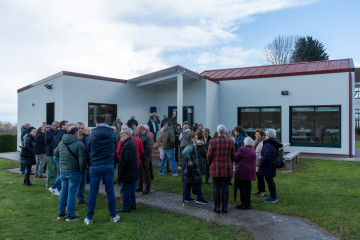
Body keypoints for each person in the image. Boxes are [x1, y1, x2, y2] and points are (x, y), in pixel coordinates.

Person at [84, 115, 120, 225]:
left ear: (96, 122)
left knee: (93, 192)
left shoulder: (92, 133)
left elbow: (87, 148)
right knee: (110, 191)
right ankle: (113, 216)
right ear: (105, 121)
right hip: (108, 164)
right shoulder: (112, 133)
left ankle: (89, 218)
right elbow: (114, 146)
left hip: (95, 165)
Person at [54, 126, 87, 221]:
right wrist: (82, 171)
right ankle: (71, 215)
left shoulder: (61, 142)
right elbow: (82, 161)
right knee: (72, 192)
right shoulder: (79, 144)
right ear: (76, 133)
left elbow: (55, 154)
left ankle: (61, 213)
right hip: (74, 172)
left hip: (63, 172)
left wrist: (62, 165)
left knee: (64, 192)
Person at [207, 124, 235, 213]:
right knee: (225, 187)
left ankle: (217, 207)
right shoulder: (230, 142)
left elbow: (209, 156)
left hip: (215, 168)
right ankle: (225, 207)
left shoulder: (212, 142)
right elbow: (234, 157)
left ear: (217, 132)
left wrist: (210, 163)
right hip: (227, 168)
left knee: (216, 188)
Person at [181, 132, 208, 204]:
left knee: (188, 181)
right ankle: (199, 198)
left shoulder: (185, 143)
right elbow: (185, 152)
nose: (197, 139)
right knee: (198, 181)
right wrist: (189, 161)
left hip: (187, 167)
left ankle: (187, 197)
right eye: (195, 137)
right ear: (192, 138)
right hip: (192, 167)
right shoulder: (190, 145)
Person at [117, 126, 139, 212]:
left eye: (122, 133)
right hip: (131, 171)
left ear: (128, 134)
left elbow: (127, 159)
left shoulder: (129, 143)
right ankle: (132, 205)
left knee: (127, 190)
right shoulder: (128, 142)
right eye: (120, 133)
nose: (120, 135)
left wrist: (122, 169)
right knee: (130, 190)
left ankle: (126, 207)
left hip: (129, 172)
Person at [259, 129, 283, 203]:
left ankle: (273, 197)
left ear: (268, 136)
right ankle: (273, 196)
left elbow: (267, 156)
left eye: (266, 135)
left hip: (268, 165)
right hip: (270, 164)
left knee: (269, 180)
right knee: (270, 180)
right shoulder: (273, 143)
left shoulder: (268, 144)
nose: (265, 136)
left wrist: (261, 162)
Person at [234, 137, 256, 210]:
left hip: (242, 171)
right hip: (250, 171)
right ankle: (248, 203)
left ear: (245, 142)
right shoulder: (253, 149)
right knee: (248, 187)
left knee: (242, 188)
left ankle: (244, 204)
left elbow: (236, 158)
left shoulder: (242, 149)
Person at [49, 120, 69, 195]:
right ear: (62, 126)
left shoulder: (60, 133)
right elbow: (60, 146)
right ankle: (53, 187)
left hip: (57, 156)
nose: (68, 126)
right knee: (62, 173)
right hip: (59, 156)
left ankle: (59, 189)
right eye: (67, 125)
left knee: (60, 173)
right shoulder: (62, 134)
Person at [76, 122, 88, 205]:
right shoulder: (73, 138)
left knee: (83, 182)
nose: (80, 130)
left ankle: (81, 199)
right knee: (75, 183)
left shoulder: (87, 138)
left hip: (85, 164)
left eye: (82, 128)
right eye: (79, 128)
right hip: (75, 164)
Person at [137, 126, 152, 194]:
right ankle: (140, 187)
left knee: (146, 173)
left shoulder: (147, 137)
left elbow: (149, 149)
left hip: (145, 158)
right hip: (140, 157)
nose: (136, 130)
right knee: (140, 172)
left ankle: (147, 188)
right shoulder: (140, 136)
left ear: (142, 130)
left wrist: (144, 156)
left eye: (138, 129)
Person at [45, 121, 59, 191]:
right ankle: (49, 184)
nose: (57, 128)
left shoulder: (53, 133)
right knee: (51, 169)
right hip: (50, 153)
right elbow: (51, 140)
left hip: (52, 153)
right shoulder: (48, 132)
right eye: (57, 127)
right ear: (53, 126)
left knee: (54, 169)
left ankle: (52, 183)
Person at [253, 129, 266, 197]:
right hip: (255, 161)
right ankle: (259, 190)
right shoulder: (256, 141)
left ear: (262, 135)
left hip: (260, 161)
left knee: (261, 177)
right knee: (258, 176)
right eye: (256, 134)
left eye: (258, 134)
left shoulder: (263, 142)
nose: (256, 136)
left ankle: (263, 191)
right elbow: (252, 149)